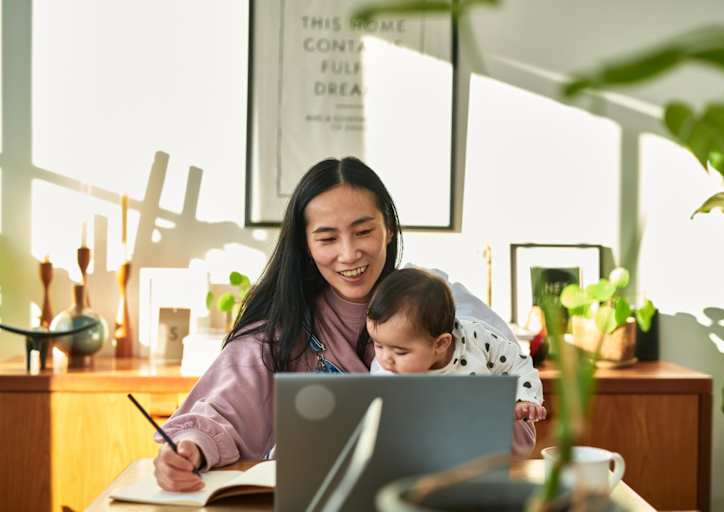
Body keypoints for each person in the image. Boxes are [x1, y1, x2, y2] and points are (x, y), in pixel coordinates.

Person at [152, 157, 537, 492]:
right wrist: (188, 449)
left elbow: (518, 423)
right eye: (327, 237)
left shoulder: (447, 304)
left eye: (364, 231)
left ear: (388, 228)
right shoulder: (280, 329)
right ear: (305, 245)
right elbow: (218, 412)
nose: (349, 253)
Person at [368, 268, 547, 422]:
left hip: (479, 439)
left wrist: (525, 400)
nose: (385, 360)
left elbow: (517, 362)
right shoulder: (386, 373)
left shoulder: (476, 338)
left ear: (441, 344)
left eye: (400, 352)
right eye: (378, 345)